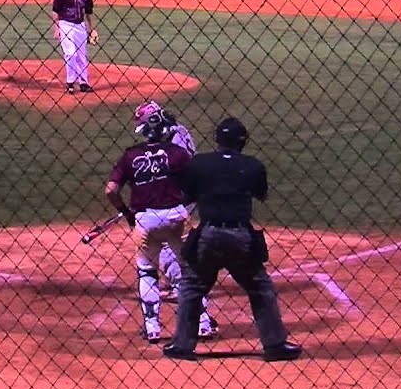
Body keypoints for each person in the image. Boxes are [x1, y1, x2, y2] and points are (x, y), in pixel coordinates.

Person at [162, 117, 302, 362]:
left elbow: (187, 194)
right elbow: (261, 194)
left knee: (192, 286)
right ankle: (275, 345)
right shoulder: (252, 165)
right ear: (242, 141)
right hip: (239, 236)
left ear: (217, 139)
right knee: (260, 287)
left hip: (208, 234)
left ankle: (182, 346)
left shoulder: (200, 163)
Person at [105, 108, 204, 343]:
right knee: (190, 270)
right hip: (177, 216)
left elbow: (110, 190)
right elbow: (195, 181)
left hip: (145, 220)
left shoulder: (130, 156)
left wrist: (125, 211)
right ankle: (203, 322)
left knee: (147, 272)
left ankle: (152, 327)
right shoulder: (177, 153)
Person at [132, 101, 218, 337]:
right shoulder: (175, 132)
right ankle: (199, 317)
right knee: (178, 258)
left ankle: (200, 320)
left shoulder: (176, 139)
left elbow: (179, 170)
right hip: (174, 199)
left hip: (179, 200)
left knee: (173, 262)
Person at [49, 0, 99, 93]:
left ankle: (84, 83)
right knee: (71, 53)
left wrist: (92, 29)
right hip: (65, 24)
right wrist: (57, 28)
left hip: (80, 26)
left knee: (81, 56)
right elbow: (55, 12)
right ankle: (70, 82)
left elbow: (89, 12)